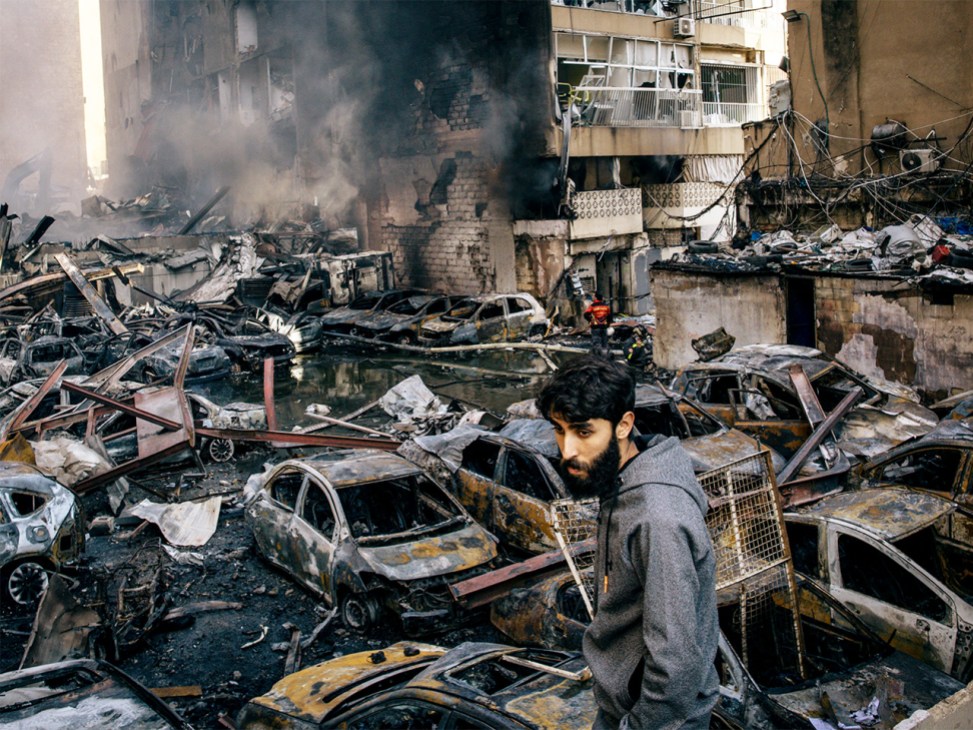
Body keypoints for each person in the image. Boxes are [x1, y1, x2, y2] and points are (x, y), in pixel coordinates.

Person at [536, 356, 718, 730]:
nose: (567, 450)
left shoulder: (657, 518)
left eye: (583, 432)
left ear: (624, 425)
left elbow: (676, 662)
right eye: (559, 430)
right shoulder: (622, 481)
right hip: (626, 704)